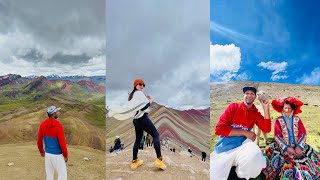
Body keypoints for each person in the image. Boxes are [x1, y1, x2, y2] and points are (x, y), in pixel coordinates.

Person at [210, 86, 271, 180]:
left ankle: (242, 175)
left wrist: (266, 108)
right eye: (247, 93)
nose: (249, 96)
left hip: (243, 145)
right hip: (225, 147)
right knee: (215, 175)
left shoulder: (255, 113)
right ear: (243, 95)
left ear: (255, 97)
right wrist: (245, 132)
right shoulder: (233, 107)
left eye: (252, 94)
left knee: (255, 156)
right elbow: (219, 129)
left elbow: (266, 129)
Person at [107, 78, 167, 170]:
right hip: (142, 118)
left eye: (143, 85)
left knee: (138, 139)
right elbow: (143, 108)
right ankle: (159, 160)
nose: (142, 86)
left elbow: (137, 107)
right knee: (156, 135)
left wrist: (146, 101)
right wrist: (150, 101)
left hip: (136, 120)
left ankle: (135, 161)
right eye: (140, 84)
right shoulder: (139, 94)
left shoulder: (132, 96)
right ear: (135, 85)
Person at [263, 97, 320, 179]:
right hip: (284, 146)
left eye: (289, 108)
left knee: (309, 157)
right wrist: (286, 148)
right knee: (270, 152)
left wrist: (299, 147)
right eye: (285, 108)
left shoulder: (298, 119)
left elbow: (303, 133)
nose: (287, 110)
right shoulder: (278, 120)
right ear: (282, 109)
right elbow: (277, 136)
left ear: (292, 109)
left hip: (298, 145)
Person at [37, 106, 68, 180]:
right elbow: (62, 143)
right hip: (57, 155)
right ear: (53, 114)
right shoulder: (58, 126)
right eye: (57, 112)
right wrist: (65, 155)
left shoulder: (42, 125)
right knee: (62, 175)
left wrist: (41, 151)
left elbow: (39, 140)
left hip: (47, 154)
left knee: (49, 175)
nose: (58, 113)